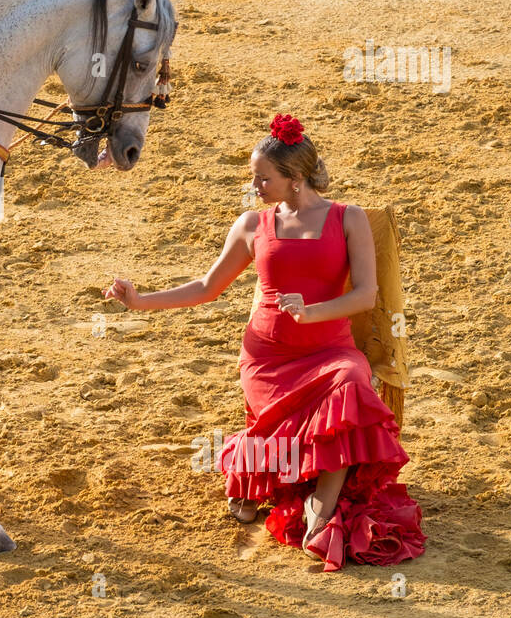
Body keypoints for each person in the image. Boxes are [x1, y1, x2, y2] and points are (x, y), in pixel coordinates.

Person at [103, 114, 425, 572]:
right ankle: (256, 474)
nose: (254, 185)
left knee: (352, 383)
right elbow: (206, 286)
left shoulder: (348, 219)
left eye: (263, 177)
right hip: (268, 356)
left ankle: (323, 505)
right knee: (282, 431)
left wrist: (311, 312)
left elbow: (365, 295)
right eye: (253, 176)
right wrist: (140, 301)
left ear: (295, 179)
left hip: (330, 352)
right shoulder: (253, 224)